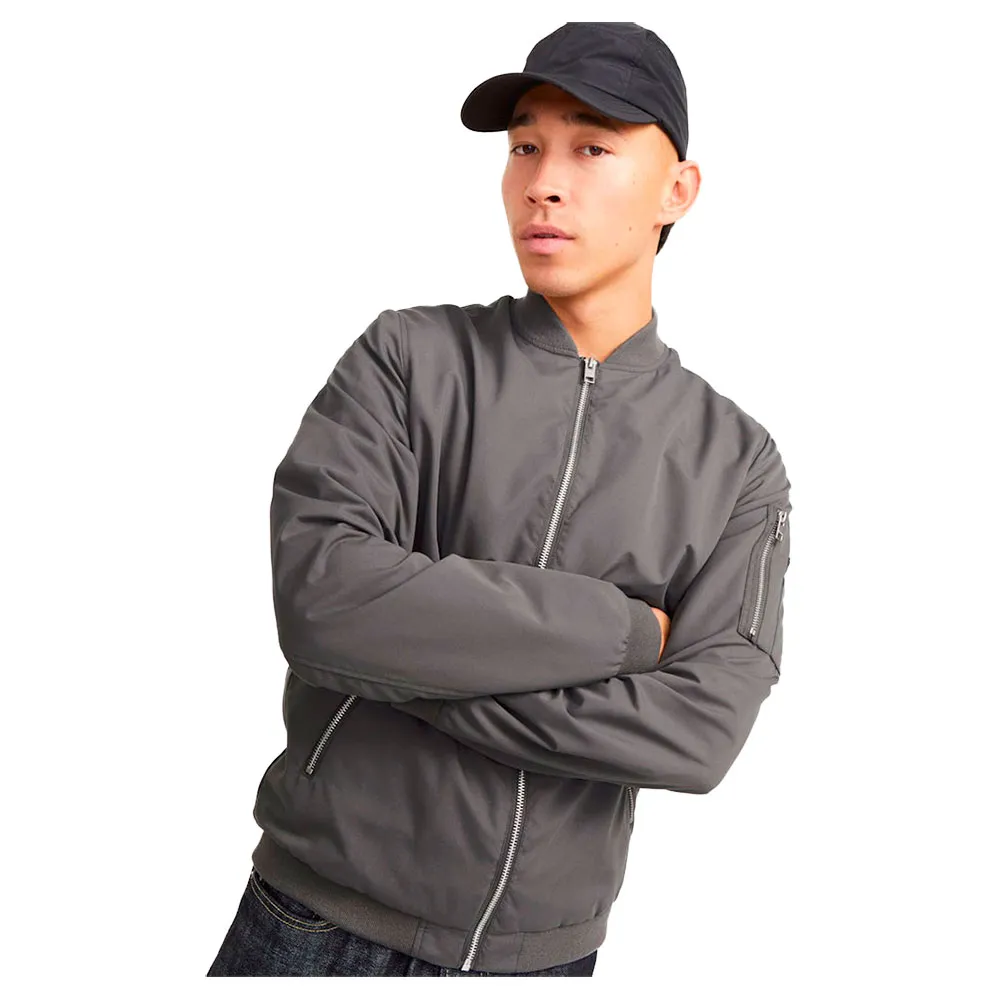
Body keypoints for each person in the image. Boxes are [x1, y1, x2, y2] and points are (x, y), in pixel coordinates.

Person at [207, 21, 792, 977]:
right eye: (524, 147)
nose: (542, 183)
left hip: (543, 961)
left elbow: (699, 734)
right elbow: (324, 604)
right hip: (311, 927)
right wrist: (625, 634)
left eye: (591, 148)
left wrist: (411, 676)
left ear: (678, 190)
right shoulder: (407, 358)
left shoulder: (736, 460)